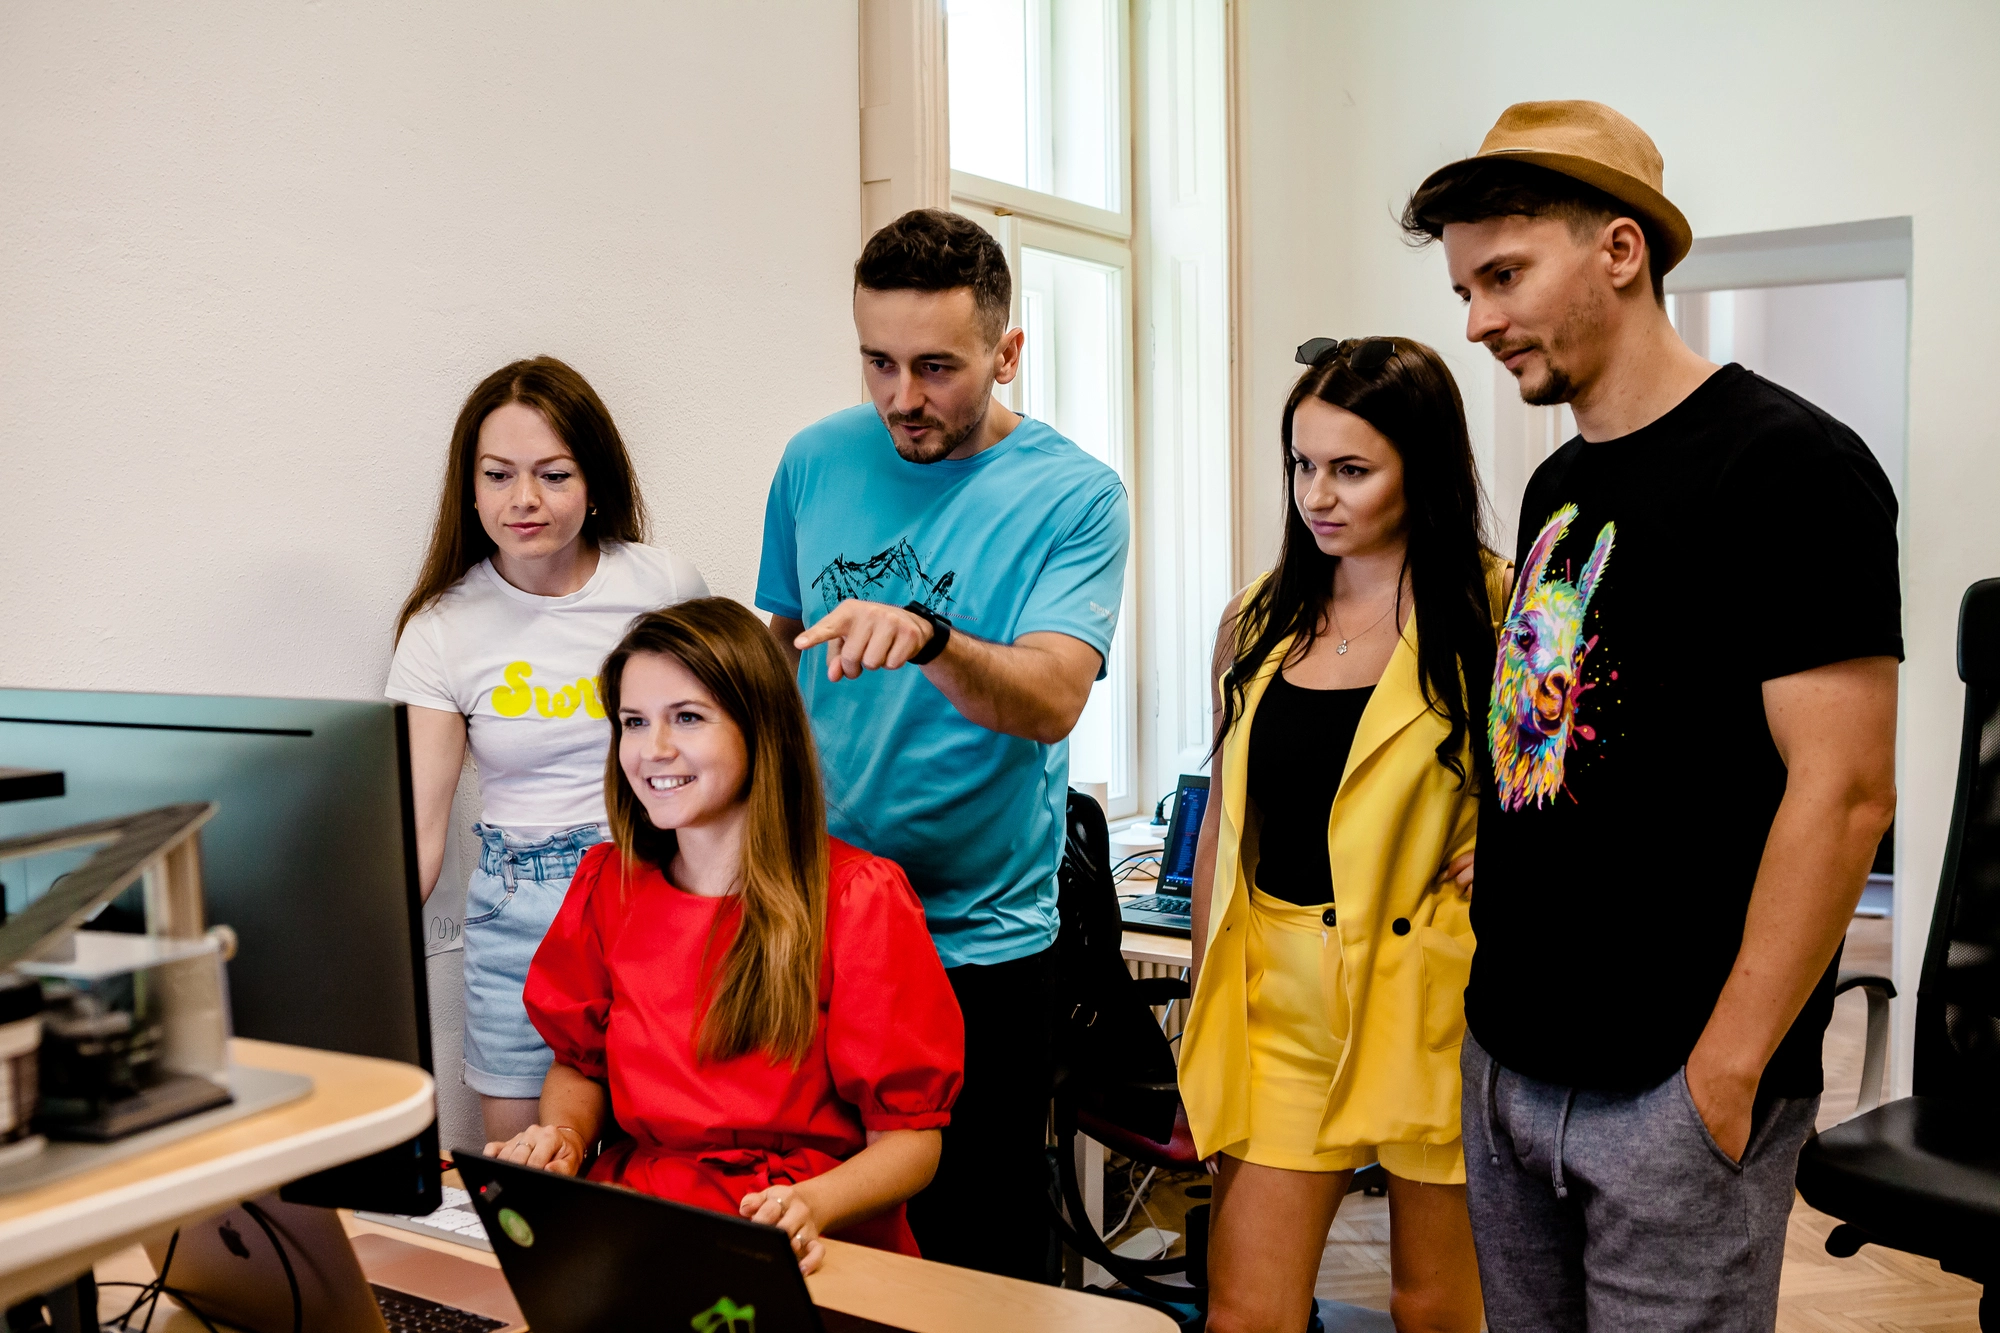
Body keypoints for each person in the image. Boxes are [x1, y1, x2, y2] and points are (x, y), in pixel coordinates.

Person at [1401, 101, 1900, 1331]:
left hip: (1669, 1088)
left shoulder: (1790, 467)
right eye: (1464, 289)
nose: (1475, 322)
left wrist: (1722, 1072)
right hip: (1509, 1062)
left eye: (1503, 276)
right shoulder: (1557, 484)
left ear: (1618, 251)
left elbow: (1842, 794)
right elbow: (1558, 741)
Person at [755, 207, 1129, 1280]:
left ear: (1007, 353)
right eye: (877, 361)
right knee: (822, 1238)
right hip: (818, 921)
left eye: (934, 367)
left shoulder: (1074, 495)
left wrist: (929, 636)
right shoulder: (814, 460)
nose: (900, 398)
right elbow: (779, 650)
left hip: (980, 946)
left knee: (974, 1258)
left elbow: (1052, 699)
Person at [485, 598, 964, 1273]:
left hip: (807, 1243)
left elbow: (912, 1142)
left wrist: (812, 1203)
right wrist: (564, 1133)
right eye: (633, 721)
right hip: (644, 1226)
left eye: (687, 717)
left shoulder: (860, 898)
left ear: (759, 728)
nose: (654, 749)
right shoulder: (606, 883)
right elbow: (579, 1062)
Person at [1181, 337, 1504, 1333]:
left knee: (1433, 1307)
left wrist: (1515, 852)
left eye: (1350, 469)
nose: (1315, 495)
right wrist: (1202, 994)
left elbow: (1573, 786)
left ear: (1423, 467)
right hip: (1277, 994)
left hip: (1433, 995)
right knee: (1246, 1312)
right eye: (1302, 464)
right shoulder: (1255, 617)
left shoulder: (1495, 608)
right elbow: (1224, 821)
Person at [386, 355, 708, 1144]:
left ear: (593, 482)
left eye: (553, 475)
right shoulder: (440, 628)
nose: (522, 499)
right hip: (518, 908)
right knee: (526, 1174)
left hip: (653, 885)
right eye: (498, 475)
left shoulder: (662, 586)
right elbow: (418, 833)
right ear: (470, 488)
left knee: (666, 1157)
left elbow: (728, 756)